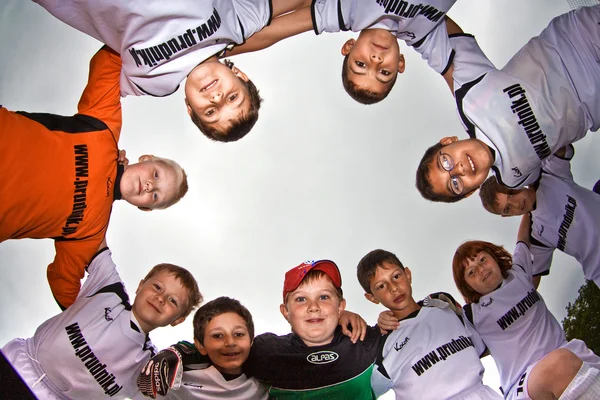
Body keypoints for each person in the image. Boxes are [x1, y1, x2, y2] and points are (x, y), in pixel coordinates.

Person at [0, 46, 189, 310]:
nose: (148, 186)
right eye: (155, 175)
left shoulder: (93, 230)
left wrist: (105, 328)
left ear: (144, 207)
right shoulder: (104, 130)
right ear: (146, 159)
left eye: (155, 195)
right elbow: (109, 59)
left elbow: (64, 286)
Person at [33, 0, 309, 142]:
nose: (216, 99)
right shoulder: (234, 25)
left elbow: (98, 103)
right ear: (240, 75)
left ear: (190, 108)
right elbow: (307, 11)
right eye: (232, 97)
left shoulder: (152, 84)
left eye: (211, 112)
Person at [416, 5, 600, 203]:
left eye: (445, 162)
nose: (458, 170)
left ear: (448, 141)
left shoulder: (470, 101)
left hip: (582, 42)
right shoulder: (514, 179)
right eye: (455, 184)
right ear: (469, 192)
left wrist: (389, 24)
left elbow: (434, 33)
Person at [139, 259, 383, 399]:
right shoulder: (268, 351)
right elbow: (225, 350)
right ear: (284, 311)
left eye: (324, 298)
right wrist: (180, 352)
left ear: (341, 306)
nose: (313, 308)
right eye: (300, 299)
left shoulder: (366, 340)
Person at [1, 238, 202, 400]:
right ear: (140, 286)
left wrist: (196, 364)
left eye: (173, 301)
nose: (160, 298)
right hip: (15, 366)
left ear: (178, 320)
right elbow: (94, 231)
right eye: (157, 287)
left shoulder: (150, 367)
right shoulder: (108, 287)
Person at [451, 216, 600, 399]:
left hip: (567, 353)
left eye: (482, 259)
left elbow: (523, 237)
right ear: (467, 286)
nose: (481, 269)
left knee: (567, 360)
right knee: (559, 365)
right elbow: (453, 351)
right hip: (523, 383)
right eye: (471, 272)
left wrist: (529, 205)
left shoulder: (519, 272)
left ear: (494, 256)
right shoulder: (472, 315)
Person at [224, 0, 457, 104]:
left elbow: (275, 33)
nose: (375, 60)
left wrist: (211, 51)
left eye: (361, 65)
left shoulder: (346, 10)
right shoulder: (428, 32)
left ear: (348, 47)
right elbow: (465, 86)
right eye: (384, 72)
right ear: (400, 64)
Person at [358, 249, 501, 399]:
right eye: (381, 286)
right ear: (372, 298)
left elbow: (482, 344)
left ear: (408, 274)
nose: (394, 288)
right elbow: (361, 392)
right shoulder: (382, 344)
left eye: (396, 276)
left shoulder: (442, 303)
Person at [478, 145, 600, 289]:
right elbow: (531, 284)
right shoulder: (536, 235)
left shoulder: (548, 175)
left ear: (515, 182)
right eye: (508, 208)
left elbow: (559, 144)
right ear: (506, 215)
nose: (516, 204)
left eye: (511, 193)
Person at [144, 296, 269, 399]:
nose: (230, 342)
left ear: (251, 340)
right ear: (200, 344)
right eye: (218, 336)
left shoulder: (268, 383)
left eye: (239, 334)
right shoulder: (174, 379)